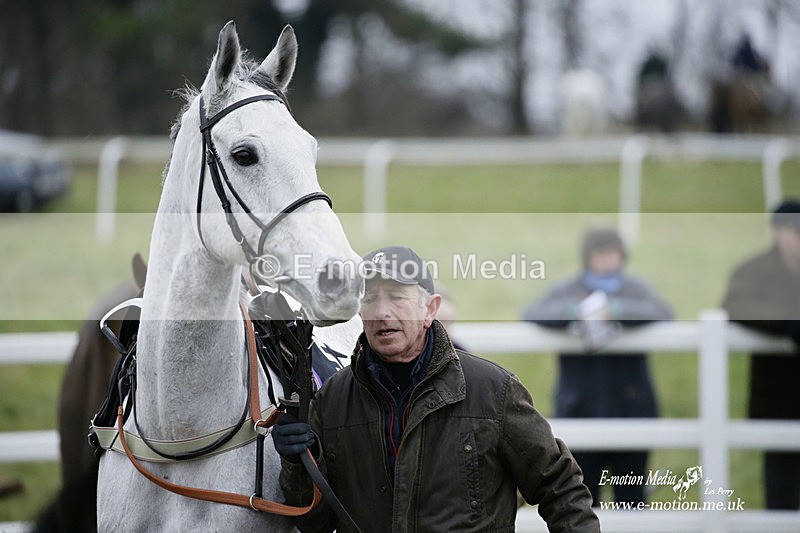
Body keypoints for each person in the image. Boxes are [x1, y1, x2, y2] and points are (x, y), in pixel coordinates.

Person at [273, 245, 599, 532]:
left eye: (397, 297)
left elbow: (560, 486)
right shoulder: (332, 401)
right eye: (369, 298)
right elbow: (314, 522)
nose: (382, 311)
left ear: (430, 309)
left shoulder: (493, 391)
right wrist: (299, 463)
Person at [522, 227, 673, 507]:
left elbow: (662, 312)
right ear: (587, 257)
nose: (606, 260)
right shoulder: (567, 290)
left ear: (622, 256)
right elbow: (533, 313)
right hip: (579, 406)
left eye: (611, 253)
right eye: (599, 254)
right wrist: (574, 312)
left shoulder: (635, 289)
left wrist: (616, 311)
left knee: (631, 500)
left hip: (631, 408)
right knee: (582, 498)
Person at [722, 199, 800, 510]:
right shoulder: (754, 270)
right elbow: (735, 305)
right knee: (781, 492)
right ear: (778, 233)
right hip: (779, 398)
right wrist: (788, 323)